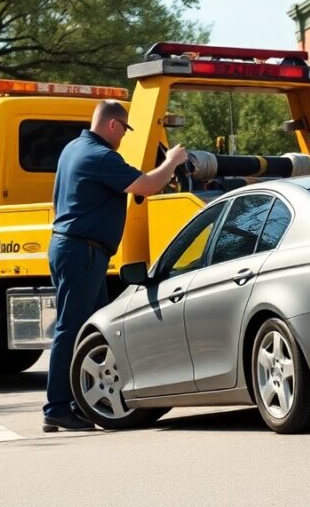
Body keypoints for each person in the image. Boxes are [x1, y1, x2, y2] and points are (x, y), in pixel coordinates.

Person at [42, 99, 188, 432]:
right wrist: (171, 161)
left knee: (90, 330)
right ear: (112, 125)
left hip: (70, 247)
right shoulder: (100, 156)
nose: (123, 136)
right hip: (82, 252)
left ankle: (80, 403)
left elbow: (58, 200)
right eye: (124, 129)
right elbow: (148, 185)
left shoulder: (72, 150)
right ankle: (56, 408)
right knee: (71, 329)